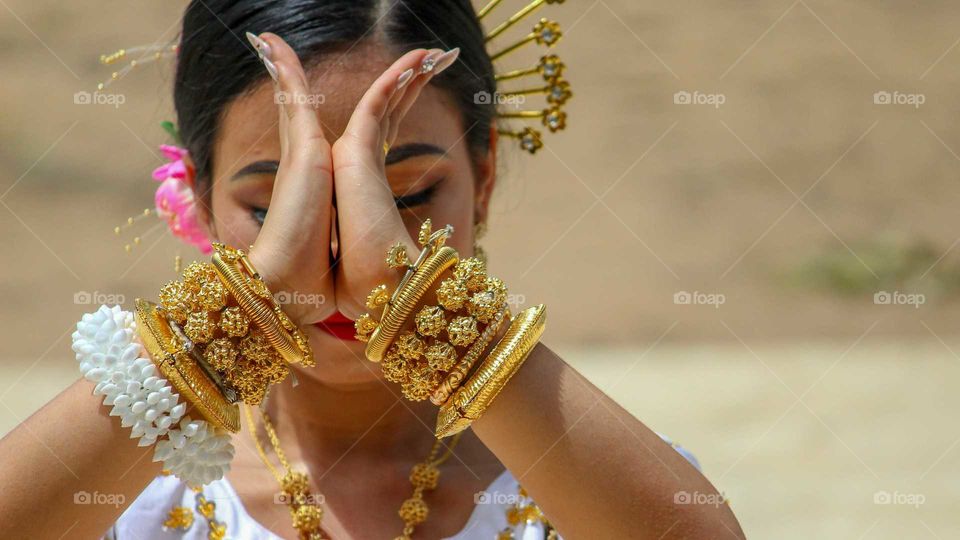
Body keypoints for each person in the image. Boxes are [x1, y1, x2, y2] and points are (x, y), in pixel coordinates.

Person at [0, 1, 744, 538]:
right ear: (196, 196)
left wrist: (425, 312)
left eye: (406, 198)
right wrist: (243, 309)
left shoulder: (587, 491)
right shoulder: (123, 497)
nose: (343, 251)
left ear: (481, 181)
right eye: (275, 204)